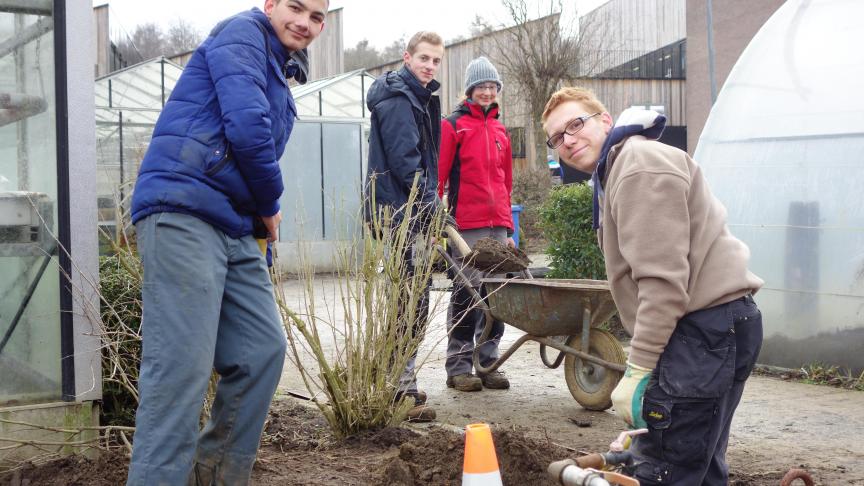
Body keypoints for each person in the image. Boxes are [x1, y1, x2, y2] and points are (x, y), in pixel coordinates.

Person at [127, 1, 327, 484]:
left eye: (317, 16)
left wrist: (262, 231)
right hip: (184, 209)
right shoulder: (242, 33)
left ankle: (213, 476)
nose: (304, 21)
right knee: (181, 369)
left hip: (235, 222)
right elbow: (247, 127)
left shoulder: (282, 72)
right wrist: (271, 204)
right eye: (295, 7)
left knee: (261, 350)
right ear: (269, 5)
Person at [542, 87, 764, 485]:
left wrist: (638, 369)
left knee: (666, 471)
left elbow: (662, 282)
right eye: (557, 137)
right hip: (716, 327)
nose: (568, 140)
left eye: (576, 125)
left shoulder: (638, 167)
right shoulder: (621, 167)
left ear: (605, 121)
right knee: (700, 464)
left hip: (703, 331)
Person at [365, 31, 445, 422]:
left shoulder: (419, 96)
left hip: (411, 211)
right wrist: (432, 208)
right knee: (408, 302)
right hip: (401, 214)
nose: (430, 66)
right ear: (407, 57)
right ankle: (399, 389)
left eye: (436, 61)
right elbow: (406, 163)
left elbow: (424, 163)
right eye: (424, 59)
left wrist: (432, 206)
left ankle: (400, 380)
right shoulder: (399, 99)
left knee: (413, 298)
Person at [438, 57, 513, 392]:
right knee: (467, 295)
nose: (487, 91)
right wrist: (437, 218)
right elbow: (439, 175)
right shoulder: (454, 126)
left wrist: (509, 230)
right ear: (469, 90)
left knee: (496, 296)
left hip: (497, 226)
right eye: (481, 86)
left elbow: (506, 182)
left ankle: (488, 363)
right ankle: (458, 367)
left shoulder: (500, 130)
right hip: (466, 226)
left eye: (492, 86)